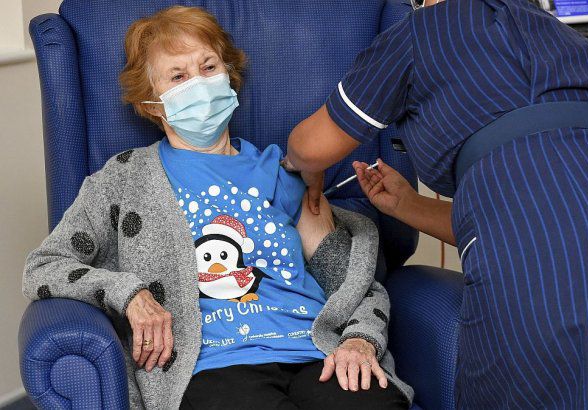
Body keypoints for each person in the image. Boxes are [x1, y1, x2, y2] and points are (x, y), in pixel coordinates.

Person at [284, 0, 588, 408]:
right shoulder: (552, 29)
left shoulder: (418, 34)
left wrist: (305, 169)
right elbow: (559, 207)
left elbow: (310, 146)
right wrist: (408, 205)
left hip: (542, 248)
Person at [22, 6, 412, 409]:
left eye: (208, 67)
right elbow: (44, 267)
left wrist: (360, 340)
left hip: (317, 352)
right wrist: (130, 295)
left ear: (229, 75)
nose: (199, 84)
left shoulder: (282, 172)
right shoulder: (124, 179)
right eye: (178, 76)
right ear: (152, 102)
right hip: (215, 365)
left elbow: (351, 282)